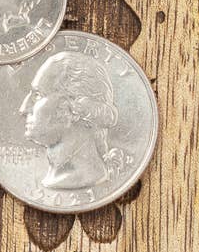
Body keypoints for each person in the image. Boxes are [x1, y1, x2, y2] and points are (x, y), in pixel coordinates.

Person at [20, 51, 125, 190]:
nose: (23, 108)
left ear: (74, 107)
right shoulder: (54, 177)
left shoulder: (88, 177)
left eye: (38, 95)